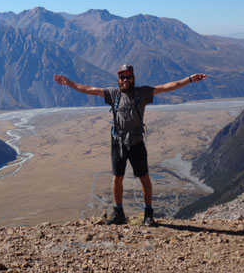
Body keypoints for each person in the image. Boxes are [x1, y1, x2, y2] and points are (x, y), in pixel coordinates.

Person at [53, 65, 207, 227]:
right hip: (118, 142)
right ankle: (119, 212)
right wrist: (70, 83)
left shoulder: (142, 93)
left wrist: (189, 79)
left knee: (144, 177)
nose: (125, 80)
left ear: (133, 78)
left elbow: (167, 87)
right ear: (118, 79)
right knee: (117, 177)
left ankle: (148, 214)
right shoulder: (113, 94)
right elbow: (89, 89)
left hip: (136, 142)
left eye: (128, 77)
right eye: (122, 77)